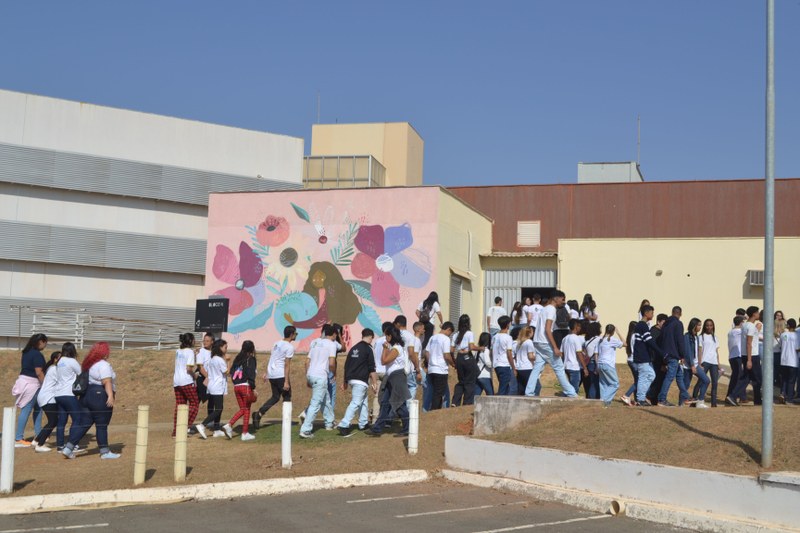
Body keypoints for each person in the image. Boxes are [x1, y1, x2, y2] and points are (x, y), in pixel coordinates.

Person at [62, 342, 119, 459]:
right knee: (102, 424)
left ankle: (68, 447)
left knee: (84, 423)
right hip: (99, 395)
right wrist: (110, 396)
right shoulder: (103, 365)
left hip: (87, 395)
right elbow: (106, 381)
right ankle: (104, 451)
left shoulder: (89, 364)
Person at [525, 290, 578, 398]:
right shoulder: (552, 310)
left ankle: (529, 392)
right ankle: (571, 392)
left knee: (537, 368)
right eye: (562, 299)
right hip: (545, 342)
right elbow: (548, 329)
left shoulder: (544, 309)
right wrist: (555, 347)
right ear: (556, 298)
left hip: (537, 342)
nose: (563, 302)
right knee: (559, 367)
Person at [369, 325, 411, 437]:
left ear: (390, 336)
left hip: (397, 377)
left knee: (399, 404)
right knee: (385, 403)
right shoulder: (395, 347)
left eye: (386, 335)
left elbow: (384, 361)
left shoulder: (396, 348)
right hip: (391, 377)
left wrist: (385, 348)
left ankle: (407, 428)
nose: (385, 337)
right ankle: (377, 428)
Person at [253, 326, 296, 430]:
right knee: (287, 397)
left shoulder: (276, 343)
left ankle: (258, 414)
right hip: (281, 375)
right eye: (295, 334)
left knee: (275, 397)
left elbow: (272, 358)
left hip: (272, 374)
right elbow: (287, 364)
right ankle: (287, 421)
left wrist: (267, 373)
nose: (296, 335)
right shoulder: (289, 347)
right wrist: (286, 382)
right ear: (291, 335)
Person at [299, 325, 338, 438]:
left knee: (326, 399)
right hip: (321, 376)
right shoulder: (332, 345)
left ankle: (330, 422)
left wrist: (307, 376)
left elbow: (306, 362)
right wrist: (334, 373)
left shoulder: (315, 343)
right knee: (315, 404)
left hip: (311, 374)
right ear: (334, 334)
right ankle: (305, 430)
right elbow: (331, 363)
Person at [337, 329, 378, 436]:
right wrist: (374, 382)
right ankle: (344, 424)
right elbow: (372, 367)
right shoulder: (368, 349)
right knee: (356, 402)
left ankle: (363, 423)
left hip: (351, 379)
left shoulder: (354, 348)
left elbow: (346, 366)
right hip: (361, 380)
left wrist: (345, 381)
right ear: (371, 337)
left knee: (363, 401)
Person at [12, 333, 47, 446]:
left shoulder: (26, 352)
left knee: (38, 409)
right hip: (32, 384)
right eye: (45, 342)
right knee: (27, 410)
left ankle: (38, 434)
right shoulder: (37, 354)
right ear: (40, 341)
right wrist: (45, 385)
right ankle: (18, 438)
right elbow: (39, 372)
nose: (45, 345)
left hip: (26, 382)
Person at [51, 342, 86, 454]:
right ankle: (72, 444)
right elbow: (81, 373)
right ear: (72, 350)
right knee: (77, 419)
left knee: (62, 421)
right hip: (69, 394)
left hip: (58, 394)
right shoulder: (72, 361)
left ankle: (60, 445)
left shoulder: (59, 361)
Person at [656, 306, 691, 407]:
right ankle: (662, 399)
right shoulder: (678, 324)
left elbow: (661, 339)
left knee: (679, 376)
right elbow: (680, 340)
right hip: (673, 355)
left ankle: (685, 396)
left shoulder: (666, 324)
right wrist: (682, 355)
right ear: (680, 314)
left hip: (666, 354)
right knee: (670, 377)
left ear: (672, 312)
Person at [728, 306, 763, 406]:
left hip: (746, 355)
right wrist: (749, 360)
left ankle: (757, 400)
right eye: (757, 313)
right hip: (752, 355)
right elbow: (749, 342)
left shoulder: (745, 325)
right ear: (754, 314)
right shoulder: (751, 326)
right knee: (756, 378)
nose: (759, 314)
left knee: (748, 377)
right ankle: (733, 396)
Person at [224, 340, 257, 441]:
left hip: (236, 386)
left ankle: (245, 433)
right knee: (245, 409)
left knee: (245, 409)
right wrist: (253, 387)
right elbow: (251, 373)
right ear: (252, 348)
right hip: (245, 386)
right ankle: (230, 424)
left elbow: (232, 372)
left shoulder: (238, 358)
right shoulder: (251, 359)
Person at [632, 305, 664, 407]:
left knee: (651, 375)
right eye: (651, 312)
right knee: (643, 376)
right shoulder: (642, 325)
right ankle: (640, 399)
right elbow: (649, 341)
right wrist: (661, 352)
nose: (653, 315)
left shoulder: (642, 325)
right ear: (646, 313)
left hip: (644, 356)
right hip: (642, 356)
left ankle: (642, 397)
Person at [199, 339, 230, 437]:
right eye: (225, 347)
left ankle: (216, 429)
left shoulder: (212, 359)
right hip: (217, 387)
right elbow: (227, 372)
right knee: (219, 409)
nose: (226, 349)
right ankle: (202, 425)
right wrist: (229, 361)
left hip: (212, 385)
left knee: (218, 407)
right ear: (220, 348)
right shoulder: (219, 360)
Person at [31, 351, 62, 452]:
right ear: (55, 359)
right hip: (48, 398)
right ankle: (40, 444)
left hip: (45, 396)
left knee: (52, 421)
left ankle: (36, 440)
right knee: (53, 421)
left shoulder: (51, 368)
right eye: (60, 358)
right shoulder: (55, 369)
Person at [173, 333, 200, 438]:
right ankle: (185, 427)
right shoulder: (189, 352)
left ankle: (176, 432)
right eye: (194, 340)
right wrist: (195, 376)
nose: (195, 341)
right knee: (194, 404)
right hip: (187, 381)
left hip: (177, 381)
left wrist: (194, 353)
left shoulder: (178, 351)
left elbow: (184, 357)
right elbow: (189, 369)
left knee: (179, 407)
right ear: (190, 341)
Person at [425, 322, 455, 410]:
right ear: (448, 329)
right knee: (438, 394)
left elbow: (426, 352)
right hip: (440, 370)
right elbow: (447, 355)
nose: (450, 335)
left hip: (431, 369)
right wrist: (453, 363)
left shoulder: (432, 337)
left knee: (432, 392)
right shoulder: (445, 339)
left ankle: (431, 410)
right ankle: (434, 413)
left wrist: (430, 362)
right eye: (450, 333)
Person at [451, 315, 479, 406]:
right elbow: (471, 347)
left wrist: (454, 361)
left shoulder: (455, 335)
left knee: (461, 381)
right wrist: (481, 348)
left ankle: (455, 401)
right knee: (470, 381)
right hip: (468, 356)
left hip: (459, 357)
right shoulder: (469, 333)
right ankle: (467, 403)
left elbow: (451, 350)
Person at [395, 315, 422, 405]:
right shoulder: (410, 336)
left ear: (398, 324)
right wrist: (417, 367)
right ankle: (408, 410)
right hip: (407, 368)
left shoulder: (394, 335)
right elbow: (411, 353)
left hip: (395, 367)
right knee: (412, 386)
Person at [683, 318, 710, 407]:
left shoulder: (696, 337)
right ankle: (680, 404)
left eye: (700, 325)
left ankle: (700, 400)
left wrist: (698, 364)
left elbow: (697, 351)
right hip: (689, 365)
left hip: (694, 364)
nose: (700, 327)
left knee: (706, 380)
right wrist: (692, 365)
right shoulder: (687, 336)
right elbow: (688, 352)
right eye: (698, 325)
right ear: (694, 325)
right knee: (686, 385)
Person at [696, 319, 720, 407]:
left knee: (715, 382)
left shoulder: (715, 338)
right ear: (704, 327)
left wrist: (718, 364)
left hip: (714, 362)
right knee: (701, 381)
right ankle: (695, 399)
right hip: (705, 361)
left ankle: (714, 403)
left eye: (711, 325)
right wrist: (699, 362)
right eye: (707, 325)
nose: (709, 327)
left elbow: (716, 352)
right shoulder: (701, 337)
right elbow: (700, 350)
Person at [645, 314, 668, 405]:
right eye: (663, 323)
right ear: (658, 322)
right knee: (656, 380)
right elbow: (655, 348)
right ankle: (649, 397)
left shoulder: (660, 332)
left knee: (660, 380)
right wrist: (662, 362)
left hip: (659, 360)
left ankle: (654, 399)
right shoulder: (654, 332)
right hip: (655, 360)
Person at [371, 322, 391, 420]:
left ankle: (375, 418)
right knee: (388, 396)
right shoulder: (389, 341)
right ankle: (386, 418)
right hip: (386, 370)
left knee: (376, 396)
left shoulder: (376, 341)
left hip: (376, 370)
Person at [492, 316, 516, 395]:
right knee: (503, 387)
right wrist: (513, 367)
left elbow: (491, 351)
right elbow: (509, 353)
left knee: (505, 386)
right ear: (508, 325)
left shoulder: (494, 337)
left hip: (496, 365)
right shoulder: (508, 337)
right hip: (504, 365)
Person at [561, 319, 586, 394]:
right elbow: (579, 353)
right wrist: (584, 368)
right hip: (574, 367)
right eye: (579, 326)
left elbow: (561, 354)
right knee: (574, 389)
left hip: (566, 366)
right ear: (576, 327)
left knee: (569, 387)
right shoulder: (576, 338)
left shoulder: (564, 338)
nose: (580, 328)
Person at [726, 315, 745, 402]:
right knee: (739, 377)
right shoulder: (739, 331)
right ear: (741, 323)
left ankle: (729, 394)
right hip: (738, 356)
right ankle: (734, 395)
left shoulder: (731, 332)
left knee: (734, 376)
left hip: (732, 356)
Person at [195, 332, 214, 416]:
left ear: (212, 342)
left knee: (212, 398)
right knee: (197, 399)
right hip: (202, 378)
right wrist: (208, 377)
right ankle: (188, 422)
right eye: (204, 340)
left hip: (210, 378)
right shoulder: (201, 351)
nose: (205, 342)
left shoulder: (214, 352)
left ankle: (210, 420)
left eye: (207, 341)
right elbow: (200, 367)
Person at [779, 318, 798, 403]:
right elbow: (797, 348)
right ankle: (789, 399)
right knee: (791, 381)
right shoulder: (797, 335)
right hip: (793, 361)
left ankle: (783, 393)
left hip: (783, 360)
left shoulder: (783, 334)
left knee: (784, 379)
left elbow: (780, 345)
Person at [620, 321, 639, 406]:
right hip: (634, 360)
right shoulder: (635, 336)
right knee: (639, 381)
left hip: (630, 360)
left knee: (637, 380)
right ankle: (626, 395)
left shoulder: (629, 336)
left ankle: (636, 399)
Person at [514, 326, 536, 396]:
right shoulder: (529, 342)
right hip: (527, 367)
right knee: (535, 386)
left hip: (519, 368)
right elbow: (530, 357)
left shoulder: (519, 343)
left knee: (521, 388)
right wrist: (538, 358)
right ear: (529, 333)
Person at [582, 321, 601, 399]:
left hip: (589, 363)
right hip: (595, 362)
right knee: (595, 383)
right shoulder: (599, 339)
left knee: (592, 382)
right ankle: (593, 399)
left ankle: (591, 397)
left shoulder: (586, 342)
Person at [474, 332, 494, 397]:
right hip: (485, 376)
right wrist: (493, 365)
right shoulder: (486, 350)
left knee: (476, 396)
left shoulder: (477, 350)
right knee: (490, 395)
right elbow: (488, 363)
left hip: (478, 375)